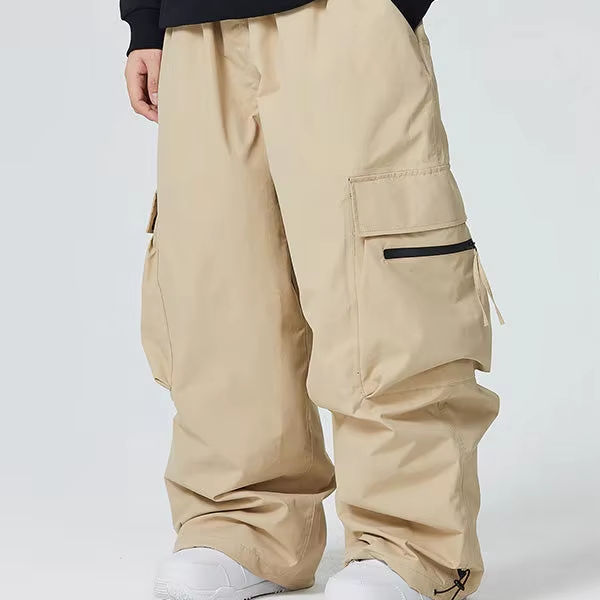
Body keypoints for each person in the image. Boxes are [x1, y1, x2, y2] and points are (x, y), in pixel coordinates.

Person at [121, 1, 503, 599]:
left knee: (378, 283)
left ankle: (411, 544)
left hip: (341, 14)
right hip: (194, 27)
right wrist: (145, 18)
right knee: (216, 283)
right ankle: (244, 526)